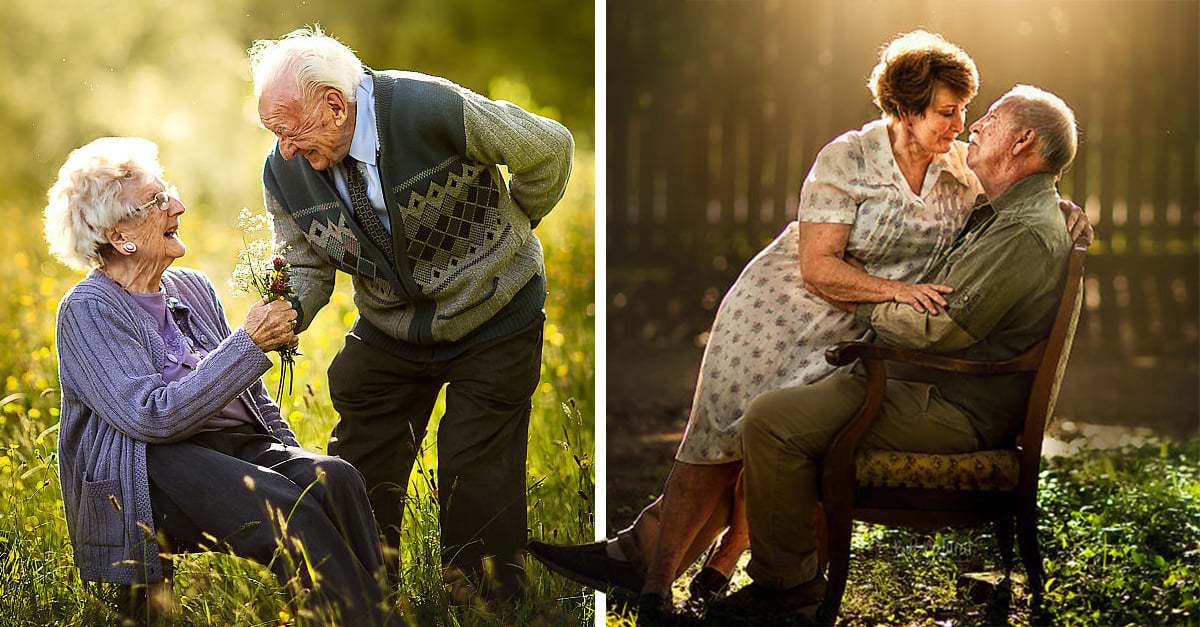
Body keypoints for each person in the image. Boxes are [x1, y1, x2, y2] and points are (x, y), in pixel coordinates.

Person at [527, 30, 1091, 612]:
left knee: (776, 435)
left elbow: (1016, 200)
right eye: (947, 113)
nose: (961, 125)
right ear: (904, 108)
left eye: (966, 112)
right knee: (720, 441)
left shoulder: (959, 172)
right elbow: (819, 268)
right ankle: (654, 579)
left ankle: (731, 567)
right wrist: (896, 292)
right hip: (784, 314)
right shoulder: (848, 159)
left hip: (866, 332)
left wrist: (1061, 208)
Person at [706, 84, 1081, 620]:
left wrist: (856, 302)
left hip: (952, 407)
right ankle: (785, 573)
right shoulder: (1009, 212)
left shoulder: (1022, 230)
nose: (974, 127)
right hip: (930, 387)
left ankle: (786, 585)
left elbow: (937, 329)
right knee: (780, 403)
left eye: (990, 120)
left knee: (771, 421)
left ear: (1022, 141)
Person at [246, 26, 574, 598]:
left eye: (290, 129)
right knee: (361, 433)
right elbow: (306, 264)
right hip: (392, 323)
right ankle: (359, 587)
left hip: (493, 310)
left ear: (333, 103)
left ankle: (482, 593)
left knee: (476, 462)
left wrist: (508, 230)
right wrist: (289, 310)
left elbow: (549, 147)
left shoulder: (428, 107)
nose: (287, 149)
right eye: (274, 134)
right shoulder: (285, 169)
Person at [46, 137, 387, 624]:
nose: (178, 207)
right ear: (118, 234)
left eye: (170, 193)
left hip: (232, 448)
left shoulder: (192, 288)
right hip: (154, 470)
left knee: (334, 479)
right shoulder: (87, 310)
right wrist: (248, 344)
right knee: (292, 513)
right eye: (158, 201)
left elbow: (254, 399)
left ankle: (357, 614)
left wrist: (293, 457)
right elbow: (152, 417)